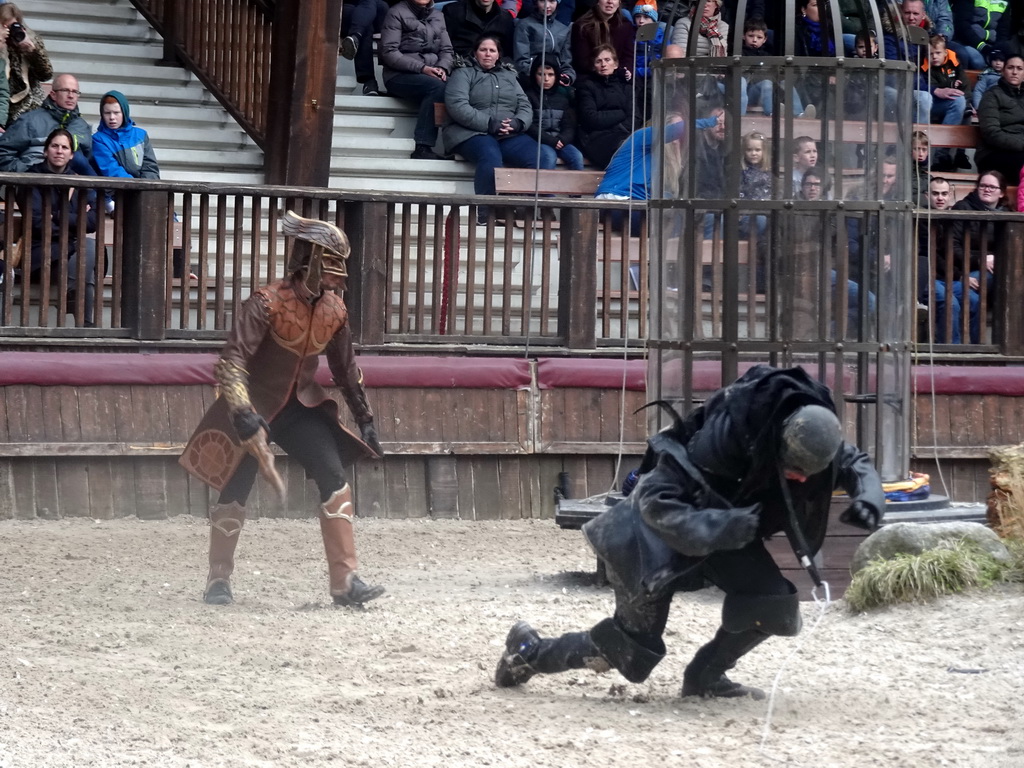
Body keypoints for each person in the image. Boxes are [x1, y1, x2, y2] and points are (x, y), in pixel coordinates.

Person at [494, 364, 884, 700]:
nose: (801, 478)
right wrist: (720, 526)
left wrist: (868, 498)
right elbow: (655, 502)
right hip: (652, 537)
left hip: (726, 533)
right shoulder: (715, 441)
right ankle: (530, 651)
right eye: (794, 468)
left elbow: (855, 463)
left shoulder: (811, 427)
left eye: (808, 473)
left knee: (772, 605)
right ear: (777, 440)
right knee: (632, 652)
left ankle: (706, 677)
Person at [180, 211, 386, 608]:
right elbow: (233, 361)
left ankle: (346, 582)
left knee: (334, 478)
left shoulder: (335, 311)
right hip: (253, 409)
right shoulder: (266, 302)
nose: (335, 276)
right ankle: (218, 579)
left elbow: (346, 370)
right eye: (328, 264)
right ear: (307, 259)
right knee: (234, 490)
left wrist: (366, 419)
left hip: (299, 408)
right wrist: (241, 412)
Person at [442, 34, 548, 222]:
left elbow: (524, 105)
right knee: (490, 156)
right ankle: (485, 212)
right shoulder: (463, 73)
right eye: (483, 50)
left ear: (499, 54)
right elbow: (457, 105)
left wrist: (518, 123)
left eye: (492, 50)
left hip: (506, 133)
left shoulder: (509, 75)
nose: (488, 54)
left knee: (538, 156)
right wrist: (489, 123)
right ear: (475, 53)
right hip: (471, 131)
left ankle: (528, 208)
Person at [19, 128, 98, 327]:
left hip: (71, 252)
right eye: (54, 146)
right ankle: (86, 328)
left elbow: (92, 221)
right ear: (46, 151)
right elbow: (37, 222)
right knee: (85, 266)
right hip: (42, 254)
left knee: (89, 247)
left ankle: (77, 308)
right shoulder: (30, 179)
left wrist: (56, 215)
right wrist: (74, 221)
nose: (59, 151)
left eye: (65, 147)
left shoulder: (78, 181)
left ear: (71, 155)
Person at [595, 111, 719, 234]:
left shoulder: (673, 162)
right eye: (676, 130)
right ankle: (676, 252)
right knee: (674, 219)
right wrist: (712, 121)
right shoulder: (641, 137)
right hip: (617, 202)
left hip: (642, 206)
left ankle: (700, 253)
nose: (679, 135)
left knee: (707, 218)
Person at [380, 0, 454, 160]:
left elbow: (447, 50)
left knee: (458, 88)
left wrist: (442, 67)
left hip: (432, 71)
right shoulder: (396, 12)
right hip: (398, 75)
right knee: (437, 87)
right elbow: (389, 52)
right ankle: (422, 146)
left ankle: (455, 146)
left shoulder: (438, 15)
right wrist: (421, 68)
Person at [947, 170, 1008, 343]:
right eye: (983, 185)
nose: (987, 189)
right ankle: (977, 345)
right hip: (965, 270)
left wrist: (995, 258)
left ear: (1002, 192)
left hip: (997, 268)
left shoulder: (1007, 214)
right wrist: (981, 259)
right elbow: (952, 247)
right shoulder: (963, 208)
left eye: (992, 187)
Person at [0, 73, 94, 173]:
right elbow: (3, 152)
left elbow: (88, 160)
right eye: (65, 90)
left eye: (75, 92)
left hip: (71, 183)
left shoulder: (82, 126)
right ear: (53, 95)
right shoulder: (30, 120)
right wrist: (27, 173)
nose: (71, 96)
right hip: (33, 183)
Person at [667, 0, 747, 115]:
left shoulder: (723, 26)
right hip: (691, 77)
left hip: (716, 76)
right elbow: (682, 54)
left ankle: (737, 123)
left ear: (717, 4)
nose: (705, 4)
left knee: (741, 82)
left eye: (709, 0)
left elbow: (721, 58)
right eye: (700, 1)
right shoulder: (684, 23)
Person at [919, 176, 971, 344]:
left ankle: (978, 349)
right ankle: (949, 352)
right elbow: (932, 255)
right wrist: (961, 275)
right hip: (927, 278)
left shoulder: (954, 219)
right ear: (927, 196)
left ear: (950, 196)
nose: (940, 198)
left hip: (948, 278)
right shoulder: (920, 219)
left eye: (944, 194)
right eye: (935, 194)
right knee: (951, 304)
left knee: (975, 300)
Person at [575, 44, 636, 170]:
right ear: (593, 66)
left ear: (616, 64)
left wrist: (618, 126)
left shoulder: (626, 88)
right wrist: (621, 114)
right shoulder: (586, 87)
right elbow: (591, 119)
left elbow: (635, 117)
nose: (603, 64)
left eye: (607, 60)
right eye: (598, 61)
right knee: (624, 148)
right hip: (595, 138)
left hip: (623, 134)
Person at [523, 58, 583, 171]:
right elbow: (529, 125)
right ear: (534, 75)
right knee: (549, 157)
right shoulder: (529, 96)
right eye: (541, 74)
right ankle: (544, 188)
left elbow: (569, 125)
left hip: (560, 141)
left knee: (576, 156)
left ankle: (577, 188)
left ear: (556, 76)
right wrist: (550, 140)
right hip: (540, 141)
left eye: (551, 75)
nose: (546, 79)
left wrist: (563, 139)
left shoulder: (562, 99)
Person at [924, 34, 972, 172]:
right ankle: (941, 155)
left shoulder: (954, 62)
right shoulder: (926, 66)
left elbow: (965, 84)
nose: (934, 57)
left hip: (955, 101)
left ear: (945, 52)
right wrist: (950, 84)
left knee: (966, 111)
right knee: (960, 103)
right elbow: (931, 85)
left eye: (938, 53)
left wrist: (969, 104)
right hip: (934, 103)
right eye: (930, 54)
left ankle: (960, 153)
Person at [0, 3, 52, 127]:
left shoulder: (30, 40)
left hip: (28, 108)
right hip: (4, 109)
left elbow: (46, 74)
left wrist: (32, 52)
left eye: (13, 26)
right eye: (5, 26)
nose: (9, 31)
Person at [91, 91, 160, 184]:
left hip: (143, 191)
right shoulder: (98, 139)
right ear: (102, 115)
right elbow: (112, 170)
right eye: (107, 113)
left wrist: (146, 190)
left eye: (116, 113)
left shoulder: (141, 135)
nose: (112, 117)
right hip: (115, 194)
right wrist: (136, 186)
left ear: (124, 112)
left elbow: (150, 168)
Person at [975, 54, 1024, 182]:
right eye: (1010, 67)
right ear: (1003, 71)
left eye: (1019, 68)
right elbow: (991, 133)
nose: (1014, 72)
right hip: (993, 153)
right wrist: (1021, 144)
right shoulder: (991, 96)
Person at [513, 0, 575, 85]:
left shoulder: (563, 29)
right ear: (536, 2)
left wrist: (568, 76)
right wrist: (538, 74)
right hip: (531, 79)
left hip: (555, 79)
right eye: (542, 1)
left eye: (552, 1)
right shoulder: (524, 25)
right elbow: (521, 61)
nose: (547, 6)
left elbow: (566, 61)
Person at [571, 0, 635, 78]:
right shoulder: (582, 26)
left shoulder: (626, 25)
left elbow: (628, 56)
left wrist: (625, 70)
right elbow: (582, 61)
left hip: (617, 77)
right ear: (597, 1)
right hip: (590, 78)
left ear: (619, 3)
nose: (610, 1)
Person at [339, 0, 390, 96]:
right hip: (347, 11)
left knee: (379, 6)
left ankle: (356, 36)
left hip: (372, 12)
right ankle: (369, 82)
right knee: (366, 23)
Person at [443, 0, 515, 60]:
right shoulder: (452, 11)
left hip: (493, 69)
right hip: (461, 64)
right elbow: (445, 48)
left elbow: (507, 55)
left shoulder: (506, 18)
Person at [972, 47, 1006, 112]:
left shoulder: (1007, 76)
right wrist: (978, 107)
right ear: (990, 61)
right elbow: (978, 91)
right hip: (988, 104)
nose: (998, 63)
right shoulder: (986, 75)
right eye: (995, 60)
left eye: (1001, 61)